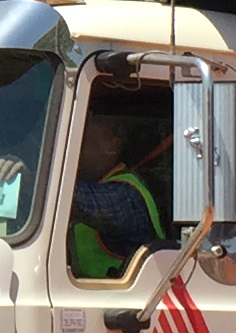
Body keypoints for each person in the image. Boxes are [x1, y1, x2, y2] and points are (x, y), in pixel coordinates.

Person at [69, 113, 169, 280]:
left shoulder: (126, 194)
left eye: (88, 141)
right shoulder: (98, 184)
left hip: (126, 300)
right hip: (91, 295)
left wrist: (35, 175)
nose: (78, 149)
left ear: (113, 146)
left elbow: (78, 200)